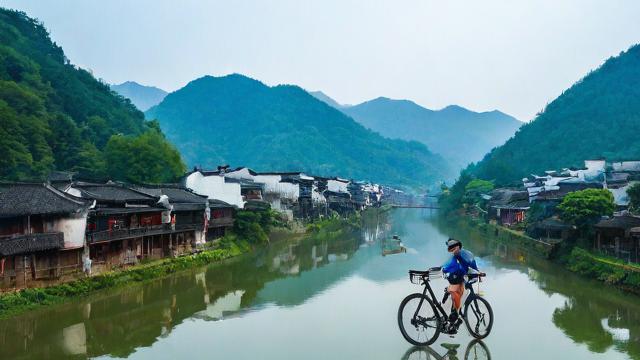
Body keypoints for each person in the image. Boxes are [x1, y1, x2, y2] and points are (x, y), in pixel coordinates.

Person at [442, 238, 478, 330]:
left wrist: (446, 270)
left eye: (453, 249)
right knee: (454, 291)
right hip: (467, 277)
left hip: (468, 277)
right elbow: (452, 265)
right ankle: (454, 317)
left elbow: (465, 266)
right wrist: (444, 269)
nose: (452, 251)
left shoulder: (463, 254)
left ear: (457, 247)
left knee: (455, 291)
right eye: (451, 250)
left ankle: (455, 317)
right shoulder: (458, 254)